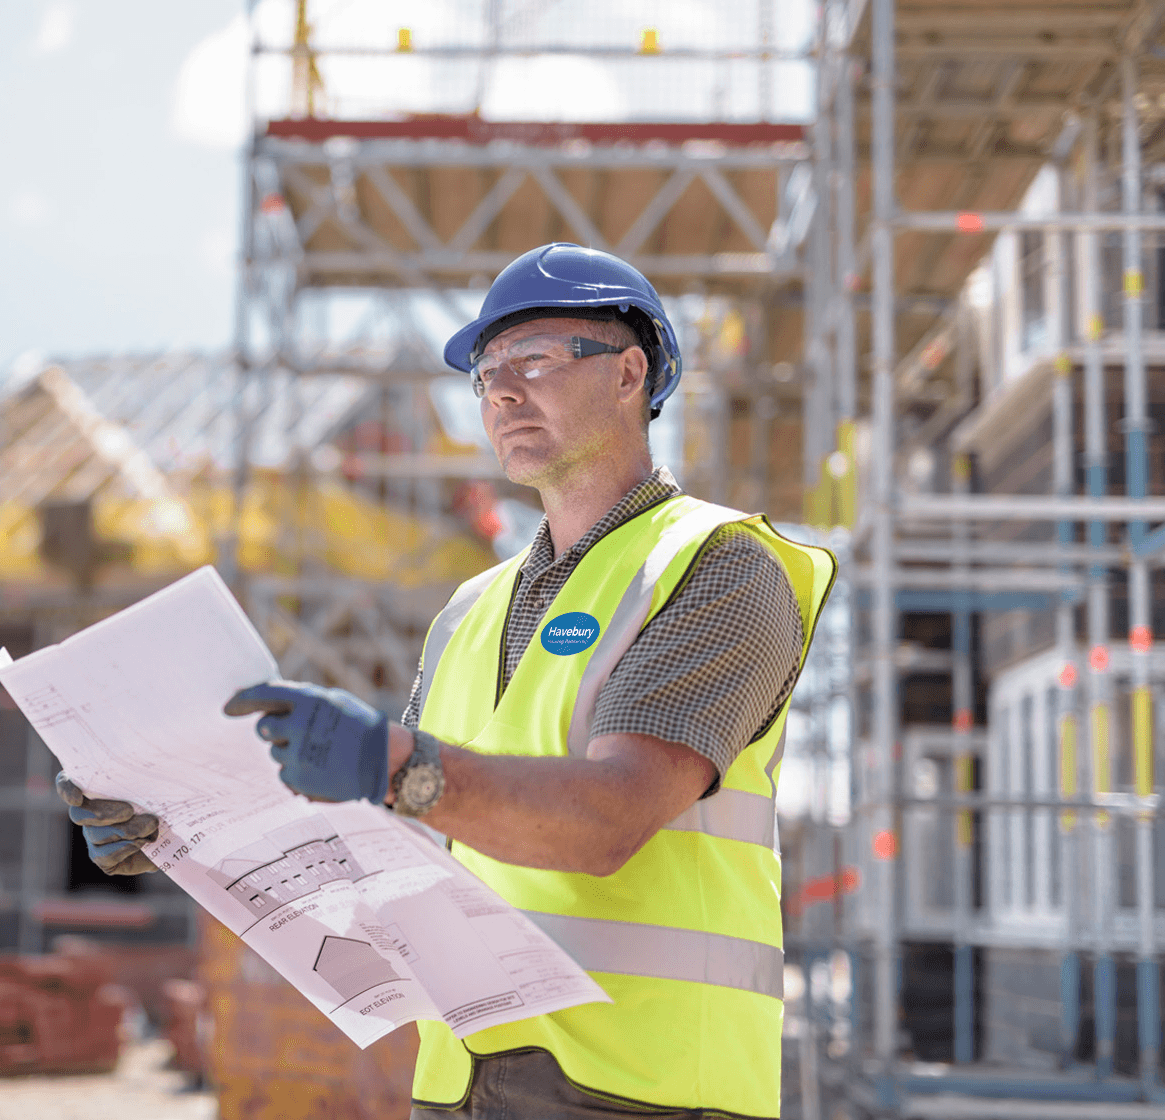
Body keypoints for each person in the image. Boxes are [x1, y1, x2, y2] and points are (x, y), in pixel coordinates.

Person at [58, 242, 835, 1119]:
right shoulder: (471, 609)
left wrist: (391, 763)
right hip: (459, 1081)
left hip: (644, 1086)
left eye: (534, 358)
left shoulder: (718, 564)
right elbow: (388, 857)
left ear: (629, 373)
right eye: (486, 371)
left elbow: (609, 820)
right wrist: (180, 832)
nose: (502, 389)